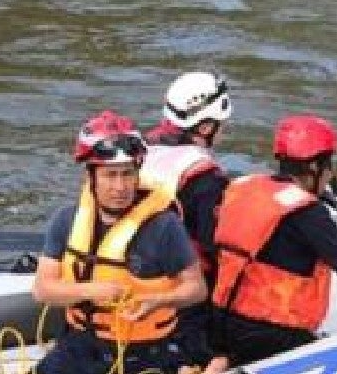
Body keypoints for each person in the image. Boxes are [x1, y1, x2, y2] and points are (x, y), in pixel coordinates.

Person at [206, 114, 337, 372]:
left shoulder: (245, 187)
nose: (331, 172)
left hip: (220, 320)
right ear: (313, 167)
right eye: (328, 164)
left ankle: (223, 360)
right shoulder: (307, 213)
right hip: (272, 333)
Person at [32, 111, 208, 374]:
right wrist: (91, 291)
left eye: (127, 174)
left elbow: (196, 289)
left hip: (144, 353)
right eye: (110, 175)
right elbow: (42, 290)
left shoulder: (164, 226)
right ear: (91, 176)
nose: (120, 186)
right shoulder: (67, 219)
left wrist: (158, 301)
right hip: (78, 345)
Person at [140, 72, 233, 372]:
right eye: (222, 125)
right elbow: (215, 247)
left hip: (123, 273)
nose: (224, 131)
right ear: (206, 126)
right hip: (179, 295)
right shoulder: (205, 178)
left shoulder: (138, 150)